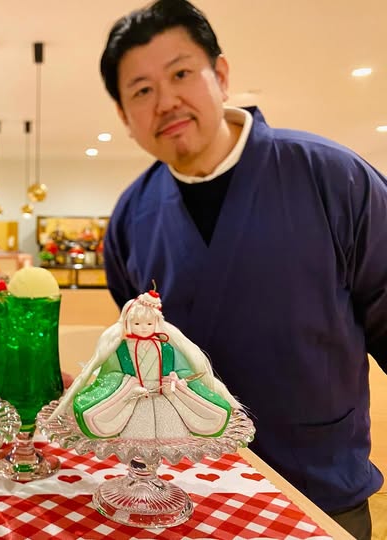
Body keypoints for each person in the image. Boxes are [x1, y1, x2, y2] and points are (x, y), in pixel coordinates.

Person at [99, 1, 387, 538]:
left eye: (181, 74)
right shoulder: (130, 219)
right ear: (125, 118)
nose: (166, 101)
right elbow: (143, 349)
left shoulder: (332, 177)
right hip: (181, 496)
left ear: (222, 75)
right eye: (141, 91)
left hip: (320, 489)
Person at [58, 289, 237, 440]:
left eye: (149, 323)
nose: (143, 328)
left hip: (164, 397)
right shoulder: (120, 350)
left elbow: (183, 371)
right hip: (132, 398)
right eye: (137, 323)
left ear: (157, 323)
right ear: (128, 323)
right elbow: (109, 375)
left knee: (171, 434)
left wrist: (175, 381)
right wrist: (128, 385)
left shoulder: (166, 349)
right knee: (131, 434)